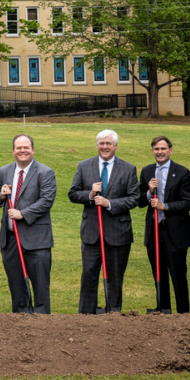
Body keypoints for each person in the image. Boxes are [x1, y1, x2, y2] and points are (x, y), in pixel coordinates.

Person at [69, 129, 139, 314]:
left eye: (108, 143)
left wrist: (110, 203)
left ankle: (113, 314)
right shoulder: (84, 166)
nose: (105, 147)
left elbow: (134, 198)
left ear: (115, 146)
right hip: (92, 233)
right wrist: (90, 195)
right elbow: (73, 194)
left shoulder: (128, 168)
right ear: (97, 145)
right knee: (89, 275)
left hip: (118, 233)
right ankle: (86, 314)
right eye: (101, 143)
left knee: (115, 277)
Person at [0, 133, 57, 314]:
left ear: (33, 150)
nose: (22, 151)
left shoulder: (45, 172)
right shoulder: (5, 171)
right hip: (10, 241)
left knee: (40, 287)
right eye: (19, 148)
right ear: (13, 151)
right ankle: (20, 325)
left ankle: (41, 323)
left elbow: (47, 200)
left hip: (36, 240)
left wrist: (23, 214)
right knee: (17, 287)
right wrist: (2, 195)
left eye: (26, 147)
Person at [137, 135, 190, 313]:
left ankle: (183, 313)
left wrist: (165, 206)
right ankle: (163, 311)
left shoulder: (182, 172)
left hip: (175, 233)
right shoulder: (147, 171)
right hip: (154, 231)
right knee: (159, 275)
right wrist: (149, 192)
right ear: (152, 151)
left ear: (170, 150)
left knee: (178, 276)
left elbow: (188, 202)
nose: (160, 152)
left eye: (163, 149)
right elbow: (139, 202)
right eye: (156, 149)